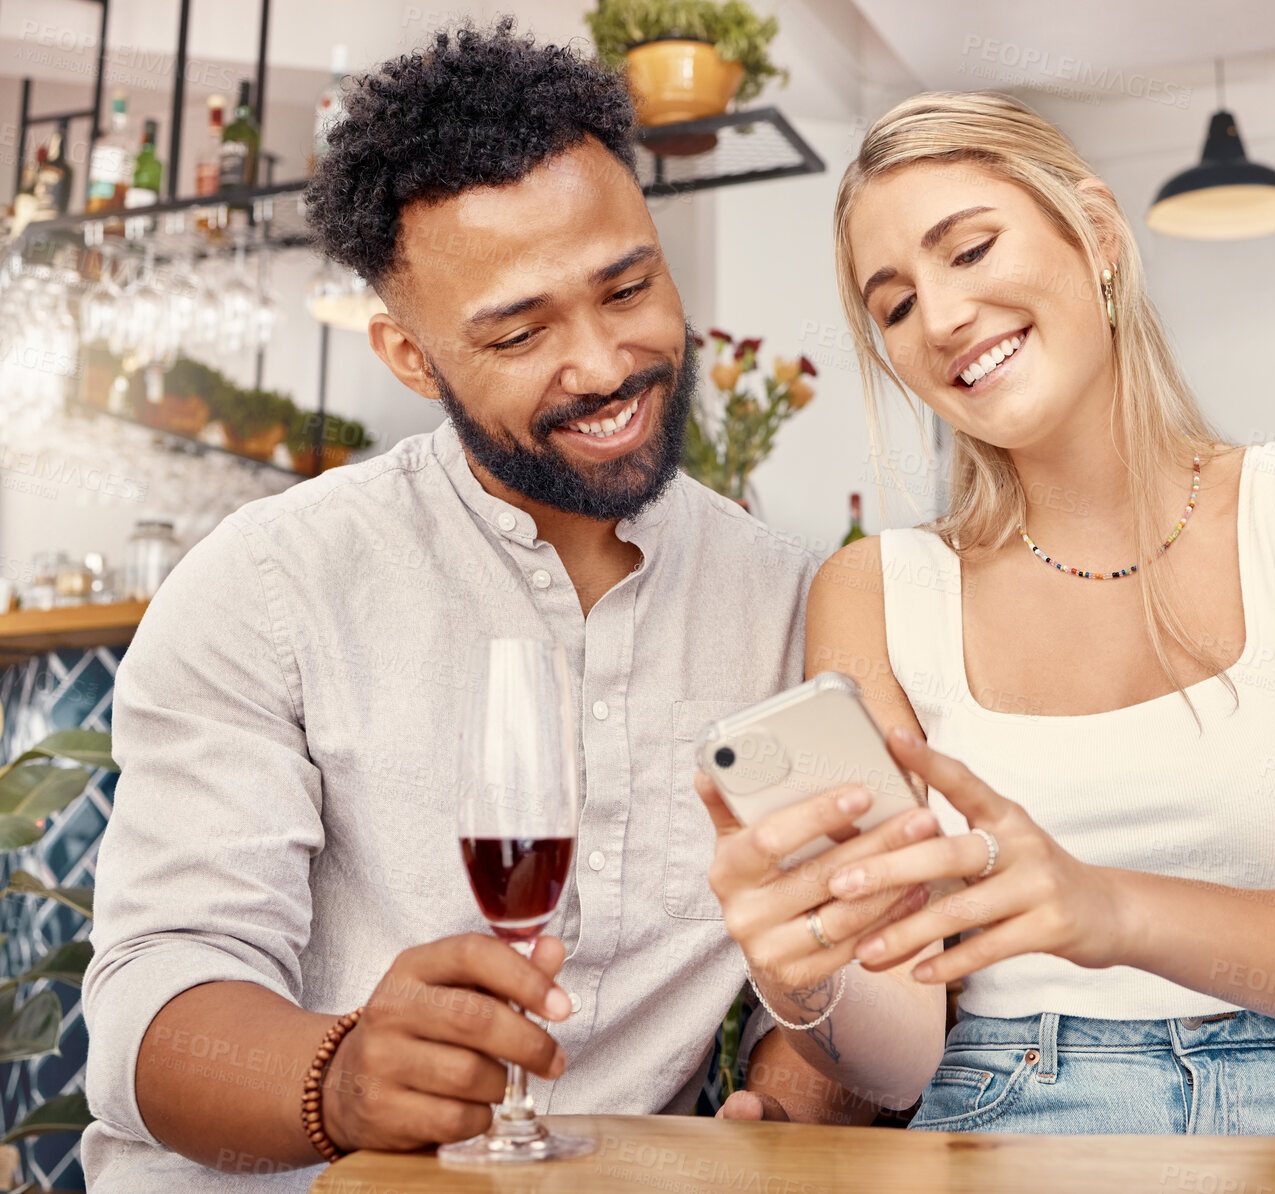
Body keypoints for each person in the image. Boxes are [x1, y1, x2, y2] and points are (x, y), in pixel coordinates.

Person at [82, 22, 856, 1190]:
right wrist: (337, 1080)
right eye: (520, 331)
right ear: (409, 356)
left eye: (628, 286)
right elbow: (149, 1007)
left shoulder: (789, 599)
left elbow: (834, 969)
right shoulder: (268, 584)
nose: (601, 364)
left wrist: (796, 1090)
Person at [701, 91, 1275, 1139]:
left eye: (967, 250)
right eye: (897, 306)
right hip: (999, 1110)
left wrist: (1104, 909)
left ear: (1096, 234)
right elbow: (901, 1047)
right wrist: (804, 982)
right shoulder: (876, 592)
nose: (945, 317)